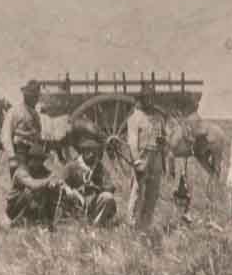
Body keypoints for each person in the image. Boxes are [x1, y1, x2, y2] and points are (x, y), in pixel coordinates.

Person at [126, 81, 165, 229]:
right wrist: (137, 161)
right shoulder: (135, 118)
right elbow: (132, 142)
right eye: (147, 97)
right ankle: (132, 224)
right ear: (141, 99)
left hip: (156, 157)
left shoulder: (159, 118)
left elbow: (163, 139)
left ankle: (145, 226)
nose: (150, 100)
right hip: (143, 157)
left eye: (152, 97)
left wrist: (163, 143)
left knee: (153, 193)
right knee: (137, 192)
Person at [6, 143, 62, 227]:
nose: (37, 163)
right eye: (35, 160)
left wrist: (55, 182)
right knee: (29, 192)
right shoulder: (21, 171)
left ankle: (46, 220)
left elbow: (53, 177)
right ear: (29, 160)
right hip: (14, 208)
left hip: (31, 204)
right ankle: (18, 222)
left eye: (40, 160)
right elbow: (33, 185)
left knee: (52, 190)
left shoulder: (42, 170)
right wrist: (48, 180)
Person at [69, 138, 118, 226]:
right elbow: (61, 182)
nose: (91, 154)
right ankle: (74, 221)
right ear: (82, 152)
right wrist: (74, 191)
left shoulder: (99, 167)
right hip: (76, 203)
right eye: (88, 151)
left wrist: (96, 187)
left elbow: (111, 186)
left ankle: (96, 224)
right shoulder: (72, 166)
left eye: (94, 152)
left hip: (93, 202)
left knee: (108, 197)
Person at [1, 80, 43, 178]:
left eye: (37, 97)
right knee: (22, 183)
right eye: (34, 97)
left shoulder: (36, 114)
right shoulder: (14, 111)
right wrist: (12, 156)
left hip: (35, 155)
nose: (36, 100)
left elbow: (38, 134)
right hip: (20, 153)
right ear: (26, 96)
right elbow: (5, 135)